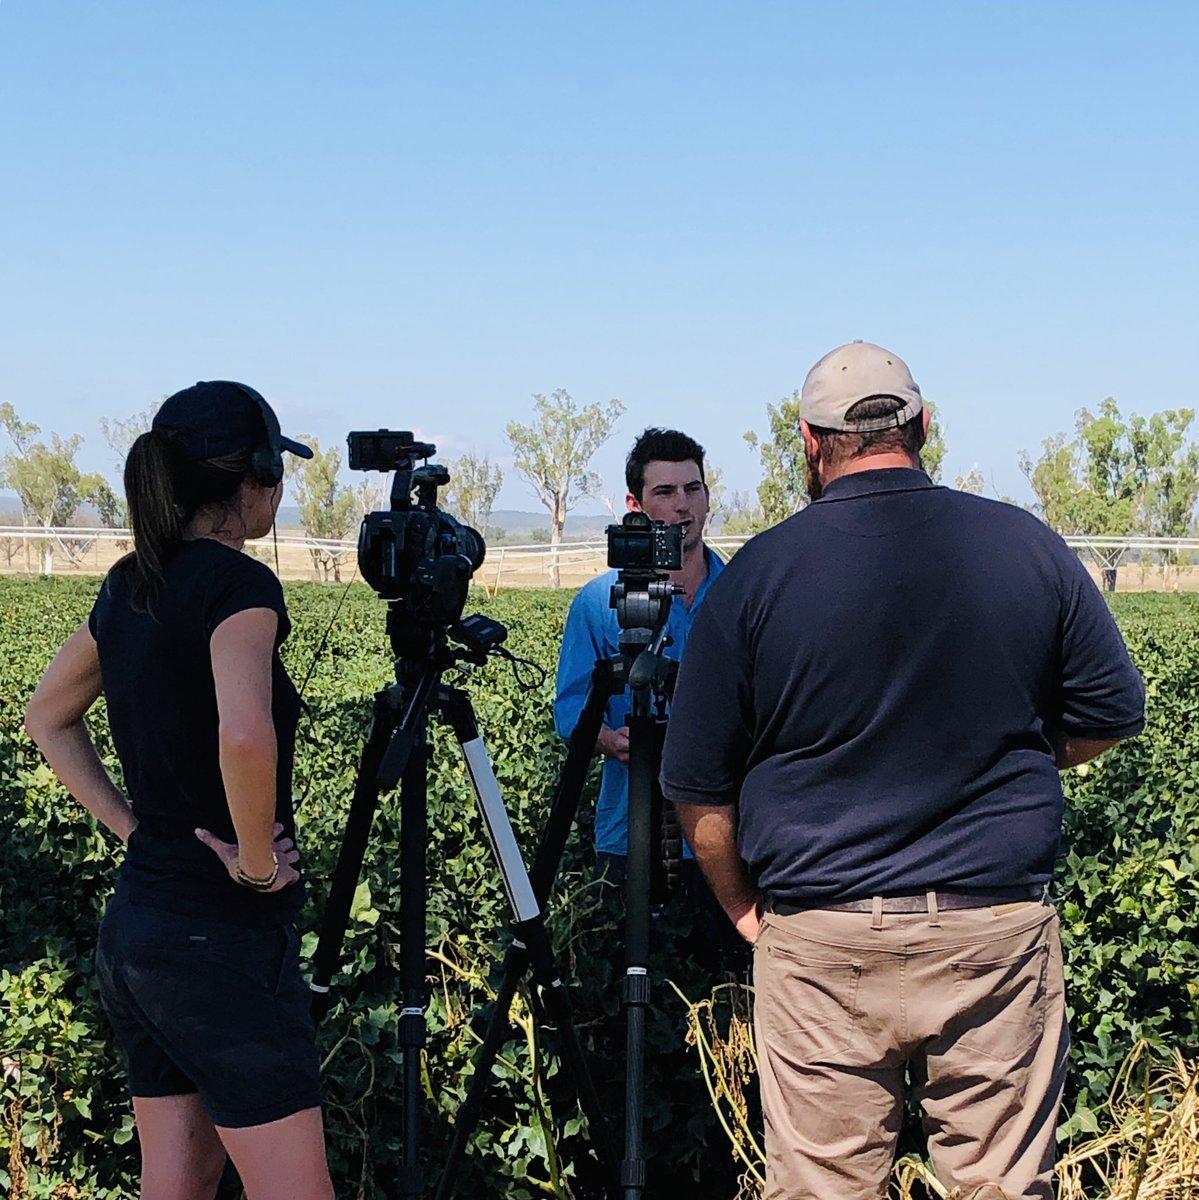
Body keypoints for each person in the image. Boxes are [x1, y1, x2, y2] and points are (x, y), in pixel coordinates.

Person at [660, 341, 1146, 1200]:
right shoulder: (1024, 546)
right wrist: (1018, 754)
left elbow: (697, 783)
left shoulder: (758, 575)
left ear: (809, 444)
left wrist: (742, 909)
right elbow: (1111, 713)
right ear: (923, 426)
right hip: (992, 936)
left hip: (818, 939)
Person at [24, 381, 335, 1200]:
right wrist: (259, 860)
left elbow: (47, 717)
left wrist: (135, 832)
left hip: (138, 933)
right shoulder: (238, 587)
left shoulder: (132, 583)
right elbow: (243, 733)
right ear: (254, 478)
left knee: (179, 1184)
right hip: (216, 942)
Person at [555, 427, 723, 883]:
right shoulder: (596, 603)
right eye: (664, 492)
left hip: (729, 837)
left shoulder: (743, 592)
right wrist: (610, 739)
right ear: (635, 505)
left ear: (708, 496)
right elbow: (570, 710)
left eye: (692, 489)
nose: (682, 505)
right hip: (628, 832)